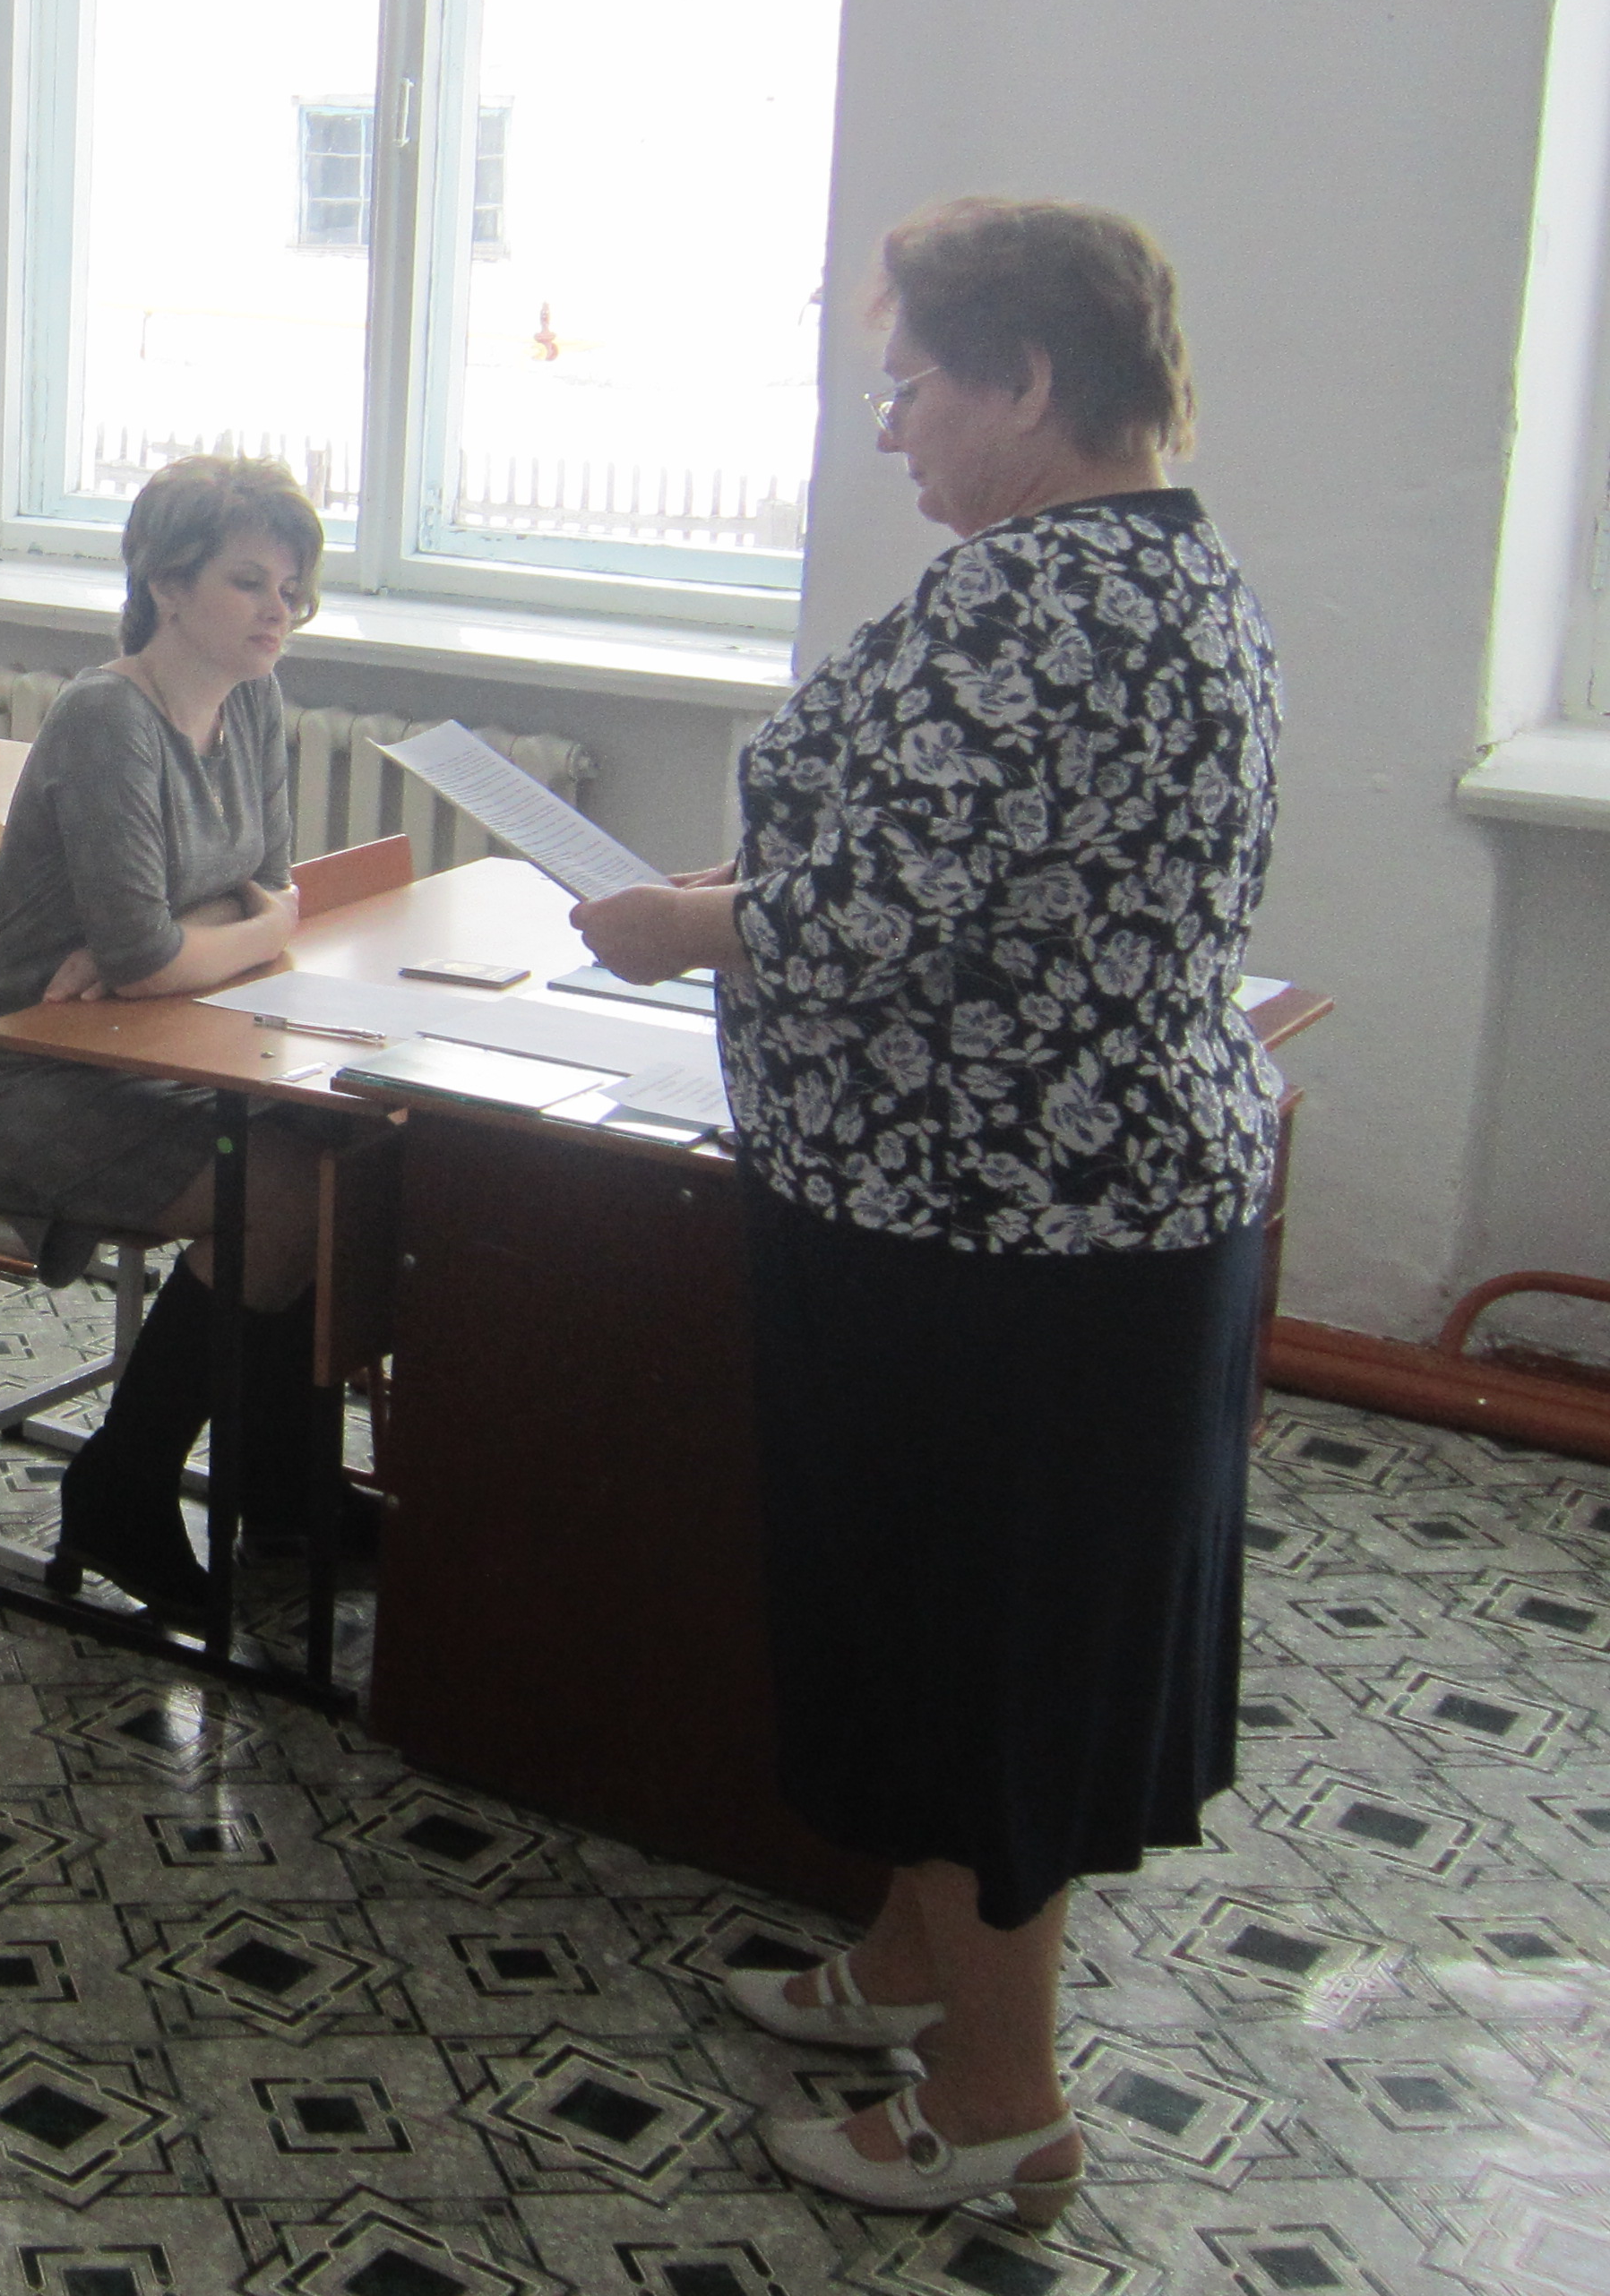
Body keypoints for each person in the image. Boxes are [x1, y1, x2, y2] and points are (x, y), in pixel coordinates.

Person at [570, 198, 1280, 2233]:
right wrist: (755, 894)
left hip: (993, 1233)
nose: (885, 428)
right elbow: (964, 865)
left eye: (906, 387)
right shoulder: (1165, 574)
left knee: (977, 1658)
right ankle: (901, 1963)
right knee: (941, 1627)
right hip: (1060, 1209)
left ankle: (995, 2099)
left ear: (1027, 380)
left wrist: (689, 926)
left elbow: (885, 912)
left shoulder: (1034, 596)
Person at [0, 454, 332, 1621]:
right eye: (249, 582)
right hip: (4, 1073)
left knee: (335, 1158)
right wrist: (221, 934)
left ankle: (282, 1494)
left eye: (290, 588)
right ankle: (121, 1486)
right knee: (280, 1193)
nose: (278, 611)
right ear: (167, 583)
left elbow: (256, 889)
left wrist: (183, 939)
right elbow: (229, 927)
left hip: (144, 1042)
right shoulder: (107, 718)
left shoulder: (253, 700)